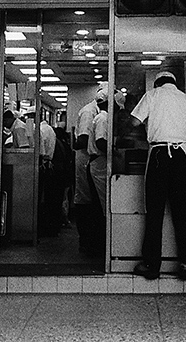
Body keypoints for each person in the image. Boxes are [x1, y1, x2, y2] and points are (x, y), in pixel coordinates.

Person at [130, 71, 186, 281]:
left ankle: (152, 265)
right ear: (174, 83)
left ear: (158, 83)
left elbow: (134, 122)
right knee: (184, 212)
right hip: (181, 155)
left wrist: (145, 129)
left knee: (154, 212)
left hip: (159, 154)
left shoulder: (152, 95)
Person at [86, 90, 125, 253]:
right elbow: (101, 142)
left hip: (100, 164)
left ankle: (100, 245)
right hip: (99, 165)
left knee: (101, 205)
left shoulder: (104, 117)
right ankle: (100, 246)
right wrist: (115, 152)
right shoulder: (103, 118)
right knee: (101, 206)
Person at [74, 82, 107, 254]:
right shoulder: (89, 111)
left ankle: (91, 240)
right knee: (86, 200)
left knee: (93, 201)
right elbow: (82, 139)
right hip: (86, 159)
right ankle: (86, 241)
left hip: (91, 159)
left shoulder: (99, 112)